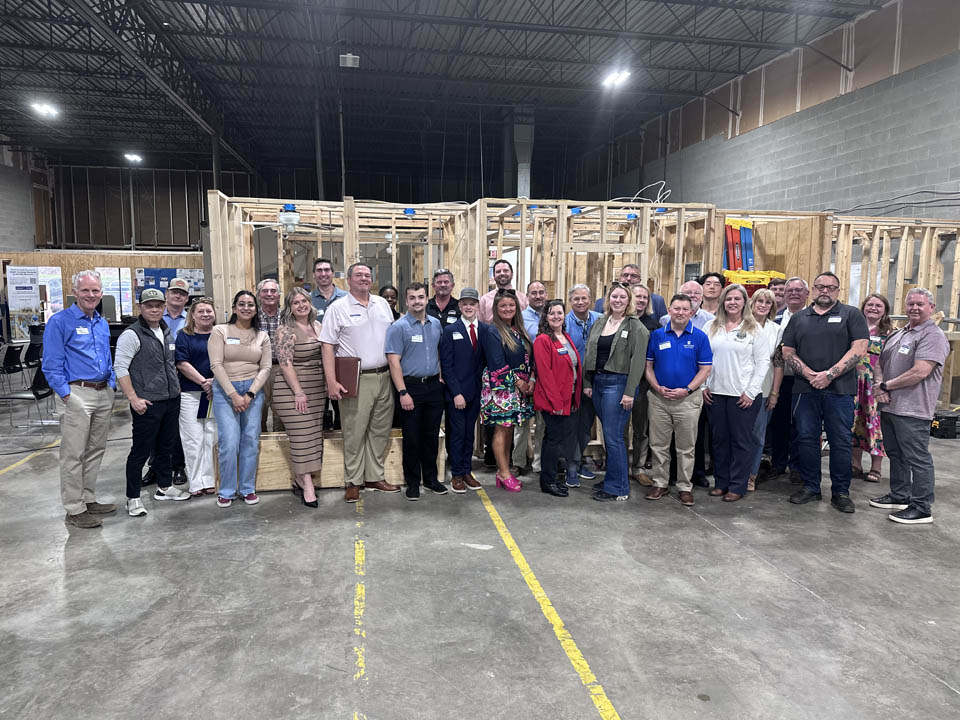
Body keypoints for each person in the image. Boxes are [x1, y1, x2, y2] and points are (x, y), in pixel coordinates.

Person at [782, 271, 869, 513]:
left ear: (838, 291)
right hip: (805, 390)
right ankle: (811, 487)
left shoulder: (851, 314)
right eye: (820, 286)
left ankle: (841, 492)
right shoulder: (799, 318)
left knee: (840, 441)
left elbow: (859, 349)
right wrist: (809, 374)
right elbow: (787, 351)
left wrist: (829, 374)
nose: (825, 291)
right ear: (813, 290)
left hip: (840, 391)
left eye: (830, 287)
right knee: (806, 439)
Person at [43, 270, 117, 529]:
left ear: (101, 293)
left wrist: (111, 384)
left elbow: (107, 357)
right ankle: (74, 508)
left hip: (102, 392)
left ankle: (88, 498)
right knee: (73, 453)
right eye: (85, 290)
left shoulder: (101, 322)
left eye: (95, 290)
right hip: (76, 394)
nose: (91, 295)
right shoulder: (60, 322)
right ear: (74, 292)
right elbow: (51, 364)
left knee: (95, 449)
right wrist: (66, 394)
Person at [320, 262, 400, 502]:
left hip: (384, 376)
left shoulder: (382, 304)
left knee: (379, 430)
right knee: (354, 432)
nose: (364, 278)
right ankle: (353, 481)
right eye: (359, 275)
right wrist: (331, 381)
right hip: (356, 379)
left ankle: (374, 476)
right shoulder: (338, 308)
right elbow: (327, 346)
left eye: (367, 275)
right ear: (349, 280)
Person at [870, 288, 950, 524]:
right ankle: (900, 495)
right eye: (911, 304)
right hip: (890, 406)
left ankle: (922, 507)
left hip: (913, 409)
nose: (914, 308)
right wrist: (880, 387)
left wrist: (886, 386)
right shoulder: (900, 333)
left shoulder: (932, 335)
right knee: (896, 454)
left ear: (931, 308)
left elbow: (920, 371)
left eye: (920, 304)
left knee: (917, 458)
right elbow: (879, 363)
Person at [114, 288, 191, 517]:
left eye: (158, 305)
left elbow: (170, 364)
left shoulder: (166, 331)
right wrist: (133, 398)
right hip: (147, 403)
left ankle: (164, 487)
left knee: (166, 447)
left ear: (164, 307)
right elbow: (120, 368)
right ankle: (132, 498)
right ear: (140, 307)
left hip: (170, 400)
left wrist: (175, 389)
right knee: (140, 451)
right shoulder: (132, 334)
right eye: (149, 306)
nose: (155, 309)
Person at [702, 284, 770, 502]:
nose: (732, 302)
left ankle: (737, 485)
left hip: (742, 396)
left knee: (741, 442)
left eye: (737, 299)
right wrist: (703, 386)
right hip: (715, 393)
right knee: (719, 441)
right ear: (723, 301)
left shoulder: (754, 329)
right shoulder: (711, 326)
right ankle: (721, 482)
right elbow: (702, 358)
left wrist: (751, 392)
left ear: (744, 303)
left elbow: (763, 363)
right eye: (728, 298)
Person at [645, 294, 713, 506]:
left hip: (688, 401)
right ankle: (660, 483)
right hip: (659, 399)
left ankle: (684, 486)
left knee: (686, 447)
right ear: (669, 310)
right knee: (658, 445)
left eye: (685, 309)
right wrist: (656, 387)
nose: (680, 312)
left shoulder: (700, 337)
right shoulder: (657, 335)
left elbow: (705, 369)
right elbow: (648, 366)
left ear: (691, 312)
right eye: (677, 308)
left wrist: (687, 389)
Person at [583, 283, 649, 502]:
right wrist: (588, 382)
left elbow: (638, 363)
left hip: (619, 385)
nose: (618, 300)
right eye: (614, 296)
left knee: (613, 437)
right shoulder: (601, 322)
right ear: (608, 299)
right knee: (609, 436)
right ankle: (612, 478)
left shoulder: (636, 327)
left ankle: (619, 487)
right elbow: (590, 352)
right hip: (599, 383)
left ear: (629, 300)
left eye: (622, 297)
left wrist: (630, 392)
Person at [209, 290, 272, 508]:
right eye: (242, 304)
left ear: (256, 309)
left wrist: (250, 393)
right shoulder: (220, 331)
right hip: (225, 391)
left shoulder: (262, 336)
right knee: (229, 441)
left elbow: (266, 367)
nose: (246, 308)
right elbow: (216, 364)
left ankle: (247, 488)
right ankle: (227, 490)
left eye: (250, 305)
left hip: (253, 391)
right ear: (234, 308)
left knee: (250, 441)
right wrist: (233, 395)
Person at [385, 283, 446, 500]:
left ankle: (430, 479)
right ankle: (412, 482)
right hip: (410, 388)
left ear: (427, 299)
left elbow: (439, 352)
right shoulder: (398, 327)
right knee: (412, 437)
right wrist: (403, 392)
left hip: (433, 387)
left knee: (431, 436)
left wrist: (440, 377)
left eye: (421, 297)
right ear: (406, 301)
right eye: (412, 298)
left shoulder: (436, 324)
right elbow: (393, 362)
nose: (417, 301)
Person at [272, 287, 327, 508]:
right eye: (296, 303)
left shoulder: (318, 326)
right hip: (292, 390)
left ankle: (301, 477)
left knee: (313, 436)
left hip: (317, 389)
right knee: (301, 437)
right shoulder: (284, 330)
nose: (301, 305)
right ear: (289, 307)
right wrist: (298, 392)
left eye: (304, 301)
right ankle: (307, 486)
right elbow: (285, 364)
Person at [659, 279, 716, 486]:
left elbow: (707, 363)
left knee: (693, 437)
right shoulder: (663, 323)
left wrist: (693, 388)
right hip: (664, 393)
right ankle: (668, 477)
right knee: (665, 440)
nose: (692, 297)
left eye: (695, 294)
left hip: (693, 391)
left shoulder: (709, 323)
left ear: (700, 300)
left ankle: (694, 475)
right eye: (687, 293)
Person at [479, 289, 535, 492]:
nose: (508, 308)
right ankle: (503, 472)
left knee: (509, 428)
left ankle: (504, 472)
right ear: (496, 308)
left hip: (519, 387)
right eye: (503, 305)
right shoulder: (493, 331)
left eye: (511, 305)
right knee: (501, 429)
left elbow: (528, 358)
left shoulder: (518, 330)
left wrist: (531, 379)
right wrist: (519, 383)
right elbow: (497, 364)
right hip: (502, 388)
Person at [143, 275, 190, 486]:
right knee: (155, 425)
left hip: (183, 377)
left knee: (177, 426)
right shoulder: (153, 316)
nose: (178, 296)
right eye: (174, 292)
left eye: (182, 293)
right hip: (156, 379)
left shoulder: (191, 319)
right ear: (167, 294)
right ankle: (155, 467)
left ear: (186, 298)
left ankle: (178, 466)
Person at [439, 287, 486, 493]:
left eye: (472, 304)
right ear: (459, 306)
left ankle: (467, 471)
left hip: (476, 392)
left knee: (469, 434)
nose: (468, 307)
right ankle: (456, 474)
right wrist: (456, 393)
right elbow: (446, 365)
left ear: (478, 306)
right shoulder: (451, 331)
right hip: (456, 394)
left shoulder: (484, 330)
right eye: (465, 303)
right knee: (457, 434)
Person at [533, 300, 582, 498]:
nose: (556, 316)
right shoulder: (543, 340)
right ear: (546, 317)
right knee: (554, 440)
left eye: (560, 313)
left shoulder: (565, 337)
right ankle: (548, 481)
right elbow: (545, 375)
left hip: (567, 397)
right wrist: (556, 403)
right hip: (553, 400)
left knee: (554, 439)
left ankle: (549, 478)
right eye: (552, 313)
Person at [766, 277, 810, 481]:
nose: (793, 293)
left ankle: (798, 466)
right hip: (780, 379)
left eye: (798, 290)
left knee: (802, 425)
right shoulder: (775, 319)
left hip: (804, 380)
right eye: (789, 290)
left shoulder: (813, 318)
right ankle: (778, 463)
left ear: (807, 294)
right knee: (779, 423)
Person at [174, 297, 218, 497]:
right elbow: (182, 363)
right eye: (201, 311)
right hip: (191, 394)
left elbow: (227, 360)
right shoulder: (184, 335)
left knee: (211, 437)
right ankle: (196, 482)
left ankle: (210, 480)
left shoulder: (220, 334)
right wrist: (203, 382)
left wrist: (214, 382)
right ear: (192, 314)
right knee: (193, 439)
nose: (205, 314)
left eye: (209, 311)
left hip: (216, 393)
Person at [852, 293, 893, 483]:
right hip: (854, 382)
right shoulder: (855, 327)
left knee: (875, 424)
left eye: (878, 306)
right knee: (855, 422)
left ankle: (876, 467)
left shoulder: (890, 333)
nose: (873, 308)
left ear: (885, 310)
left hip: (875, 385)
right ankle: (855, 464)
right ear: (864, 307)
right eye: (870, 305)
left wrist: (884, 385)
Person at [564, 284, 602, 487]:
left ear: (590, 299)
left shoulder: (600, 320)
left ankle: (577, 462)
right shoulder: (564, 322)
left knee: (586, 425)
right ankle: (571, 466)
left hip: (594, 381)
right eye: (576, 299)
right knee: (571, 425)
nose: (580, 302)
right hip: (571, 382)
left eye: (584, 298)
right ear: (570, 301)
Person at [746, 289, 783, 492]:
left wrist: (775, 393)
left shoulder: (776, 330)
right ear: (752, 303)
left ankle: (750, 475)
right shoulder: (741, 325)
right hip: (738, 387)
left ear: (772, 307)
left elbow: (778, 363)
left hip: (764, 388)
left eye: (767, 303)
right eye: (759, 301)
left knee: (757, 435)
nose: (763, 305)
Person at [626, 283, 660, 486]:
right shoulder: (621, 321)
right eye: (637, 296)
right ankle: (620, 466)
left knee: (641, 429)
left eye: (644, 297)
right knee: (619, 430)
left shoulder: (653, 325)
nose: (641, 300)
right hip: (621, 384)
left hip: (643, 386)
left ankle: (638, 468)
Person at [514, 280, 547, 474]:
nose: (538, 296)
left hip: (545, 379)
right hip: (525, 378)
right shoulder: (520, 319)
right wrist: (526, 378)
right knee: (522, 424)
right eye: (533, 293)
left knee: (542, 424)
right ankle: (518, 462)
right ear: (527, 297)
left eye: (541, 292)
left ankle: (538, 463)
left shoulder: (552, 316)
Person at [257, 278, 285, 433]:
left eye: (273, 291)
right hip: (257, 368)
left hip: (281, 367)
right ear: (259, 295)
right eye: (265, 291)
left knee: (281, 409)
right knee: (258, 408)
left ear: (279, 295)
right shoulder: (251, 316)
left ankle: (279, 442)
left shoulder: (287, 316)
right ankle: (259, 442)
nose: (269, 294)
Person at [595, 264, 667, 319]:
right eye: (625, 275)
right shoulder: (601, 303)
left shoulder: (657, 301)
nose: (629, 279)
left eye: (634, 276)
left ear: (639, 280)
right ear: (619, 278)